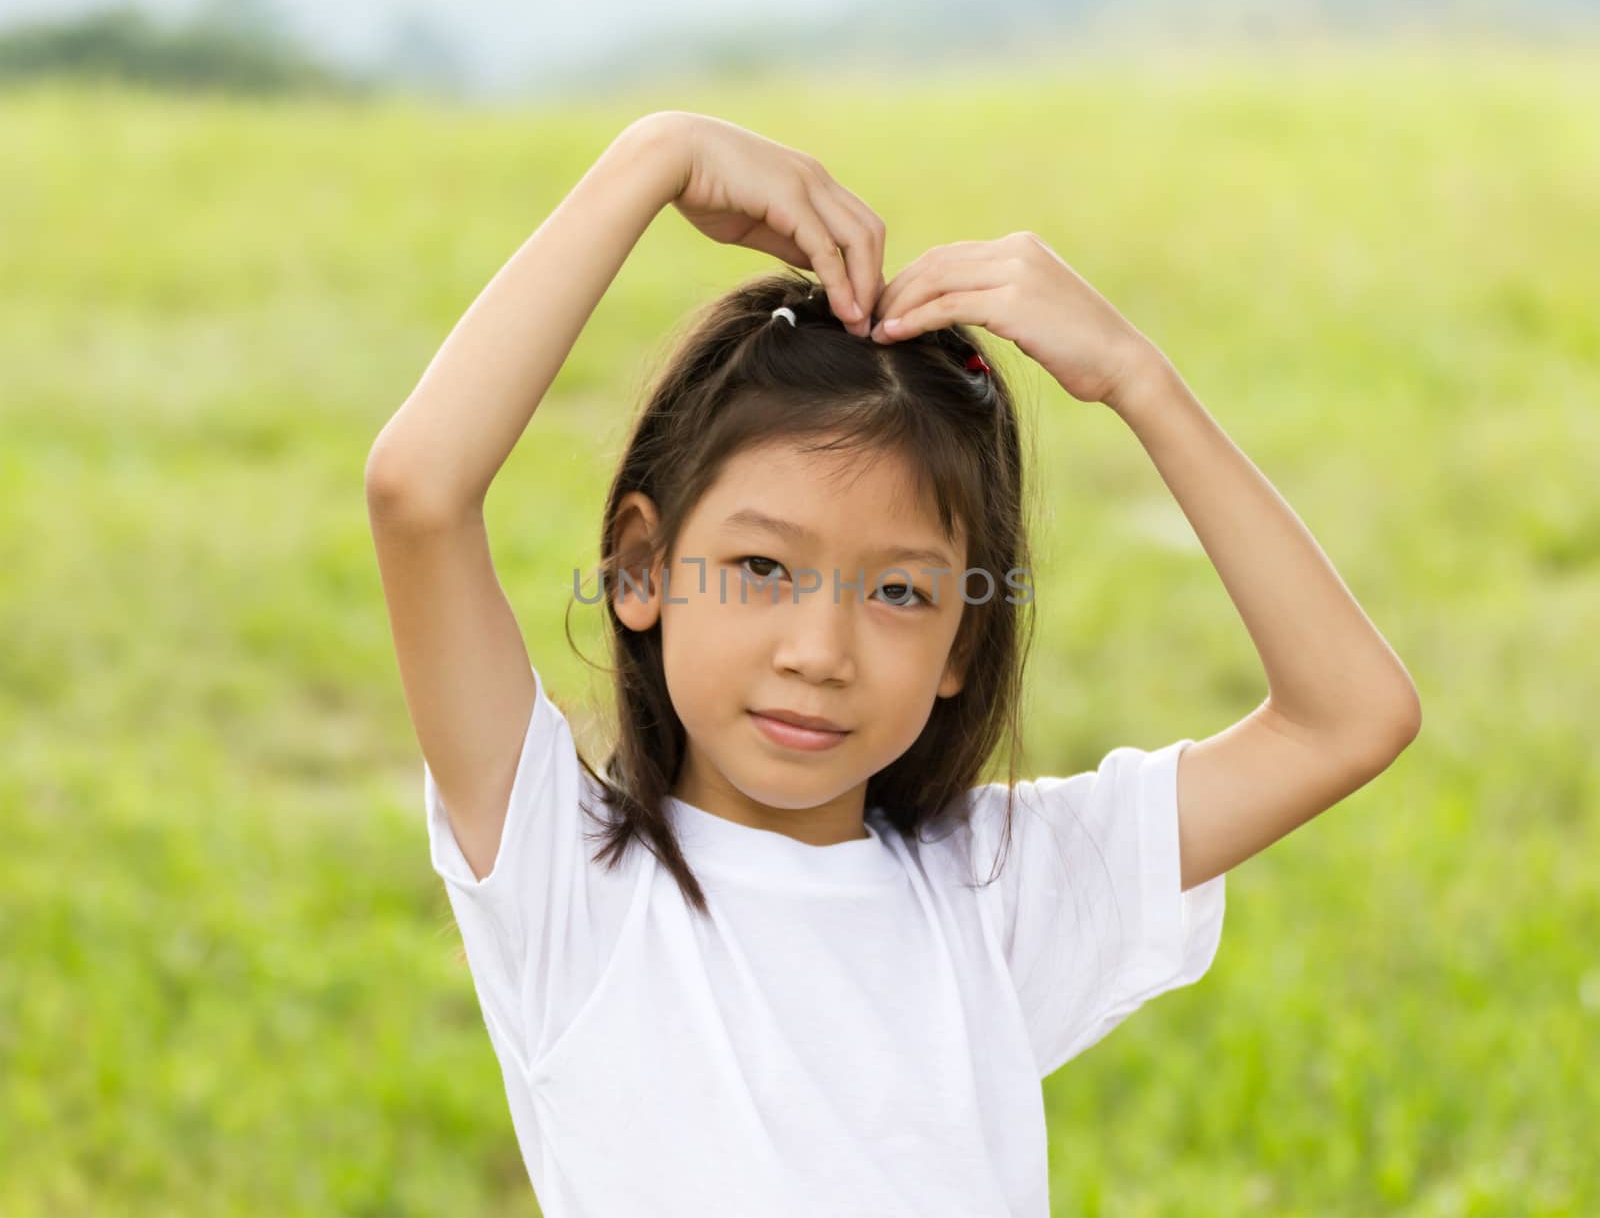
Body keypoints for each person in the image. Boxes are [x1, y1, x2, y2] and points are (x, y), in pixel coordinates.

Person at [364, 110, 1422, 1217]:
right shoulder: (563, 877)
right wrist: (655, 159)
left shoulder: (991, 891)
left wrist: (1135, 379)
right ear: (640, 568)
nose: (819, 653)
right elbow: (418, 492)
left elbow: (1348, 715)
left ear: (963, 639)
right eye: (763, 566)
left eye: (900, 592)